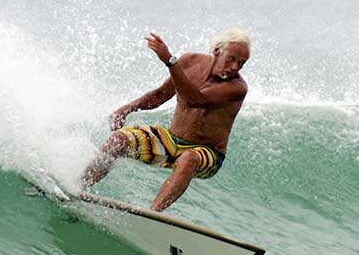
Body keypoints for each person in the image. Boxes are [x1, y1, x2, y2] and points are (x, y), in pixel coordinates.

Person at [80, 29, 251, 211]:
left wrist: (170, 61)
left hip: (208, 153)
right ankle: (77, 189)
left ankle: (152, 216)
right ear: (217, 50)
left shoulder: (237, 88)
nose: (235, 67)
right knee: (119, 140)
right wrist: (125, 110)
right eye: (232, 59)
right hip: (171, 141)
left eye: (241, 63)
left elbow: (196, 100)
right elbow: (160, 95)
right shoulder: (189, 63)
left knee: (189, 158)